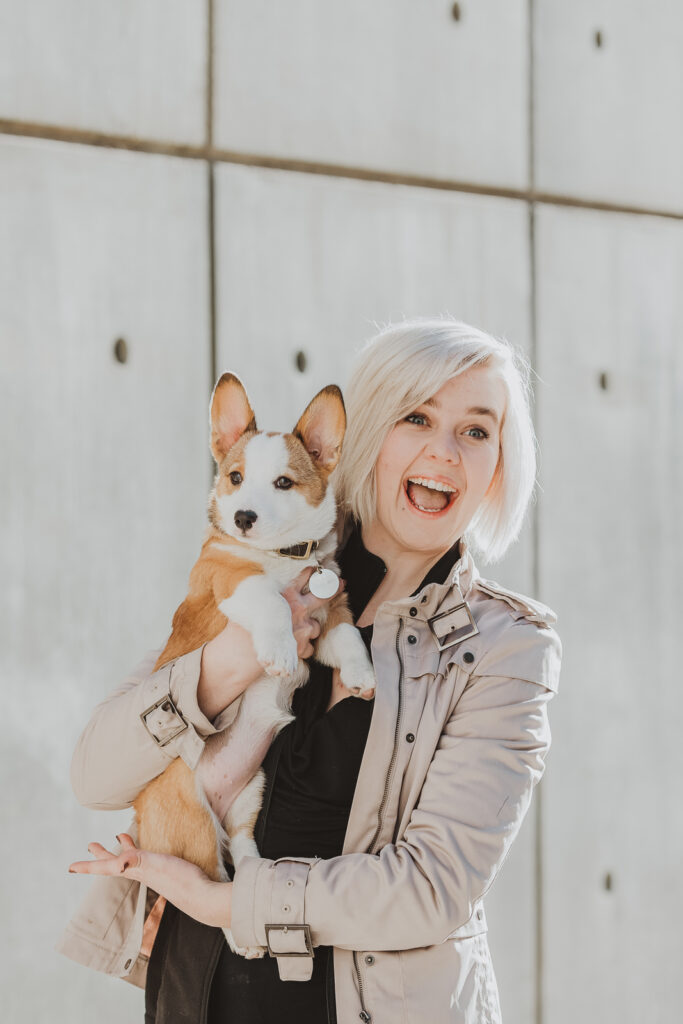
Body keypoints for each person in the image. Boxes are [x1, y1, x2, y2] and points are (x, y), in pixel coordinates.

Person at [59, 316, 562, 1024]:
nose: (444, 450)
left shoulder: (505, 645)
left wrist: (222, 902)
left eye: (476, 430)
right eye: (416, 417)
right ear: (363, 434)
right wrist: (224, 663)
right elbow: (96, 775)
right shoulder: (263, 566)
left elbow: (428, 889)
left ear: (499, 464)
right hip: (190, 998)